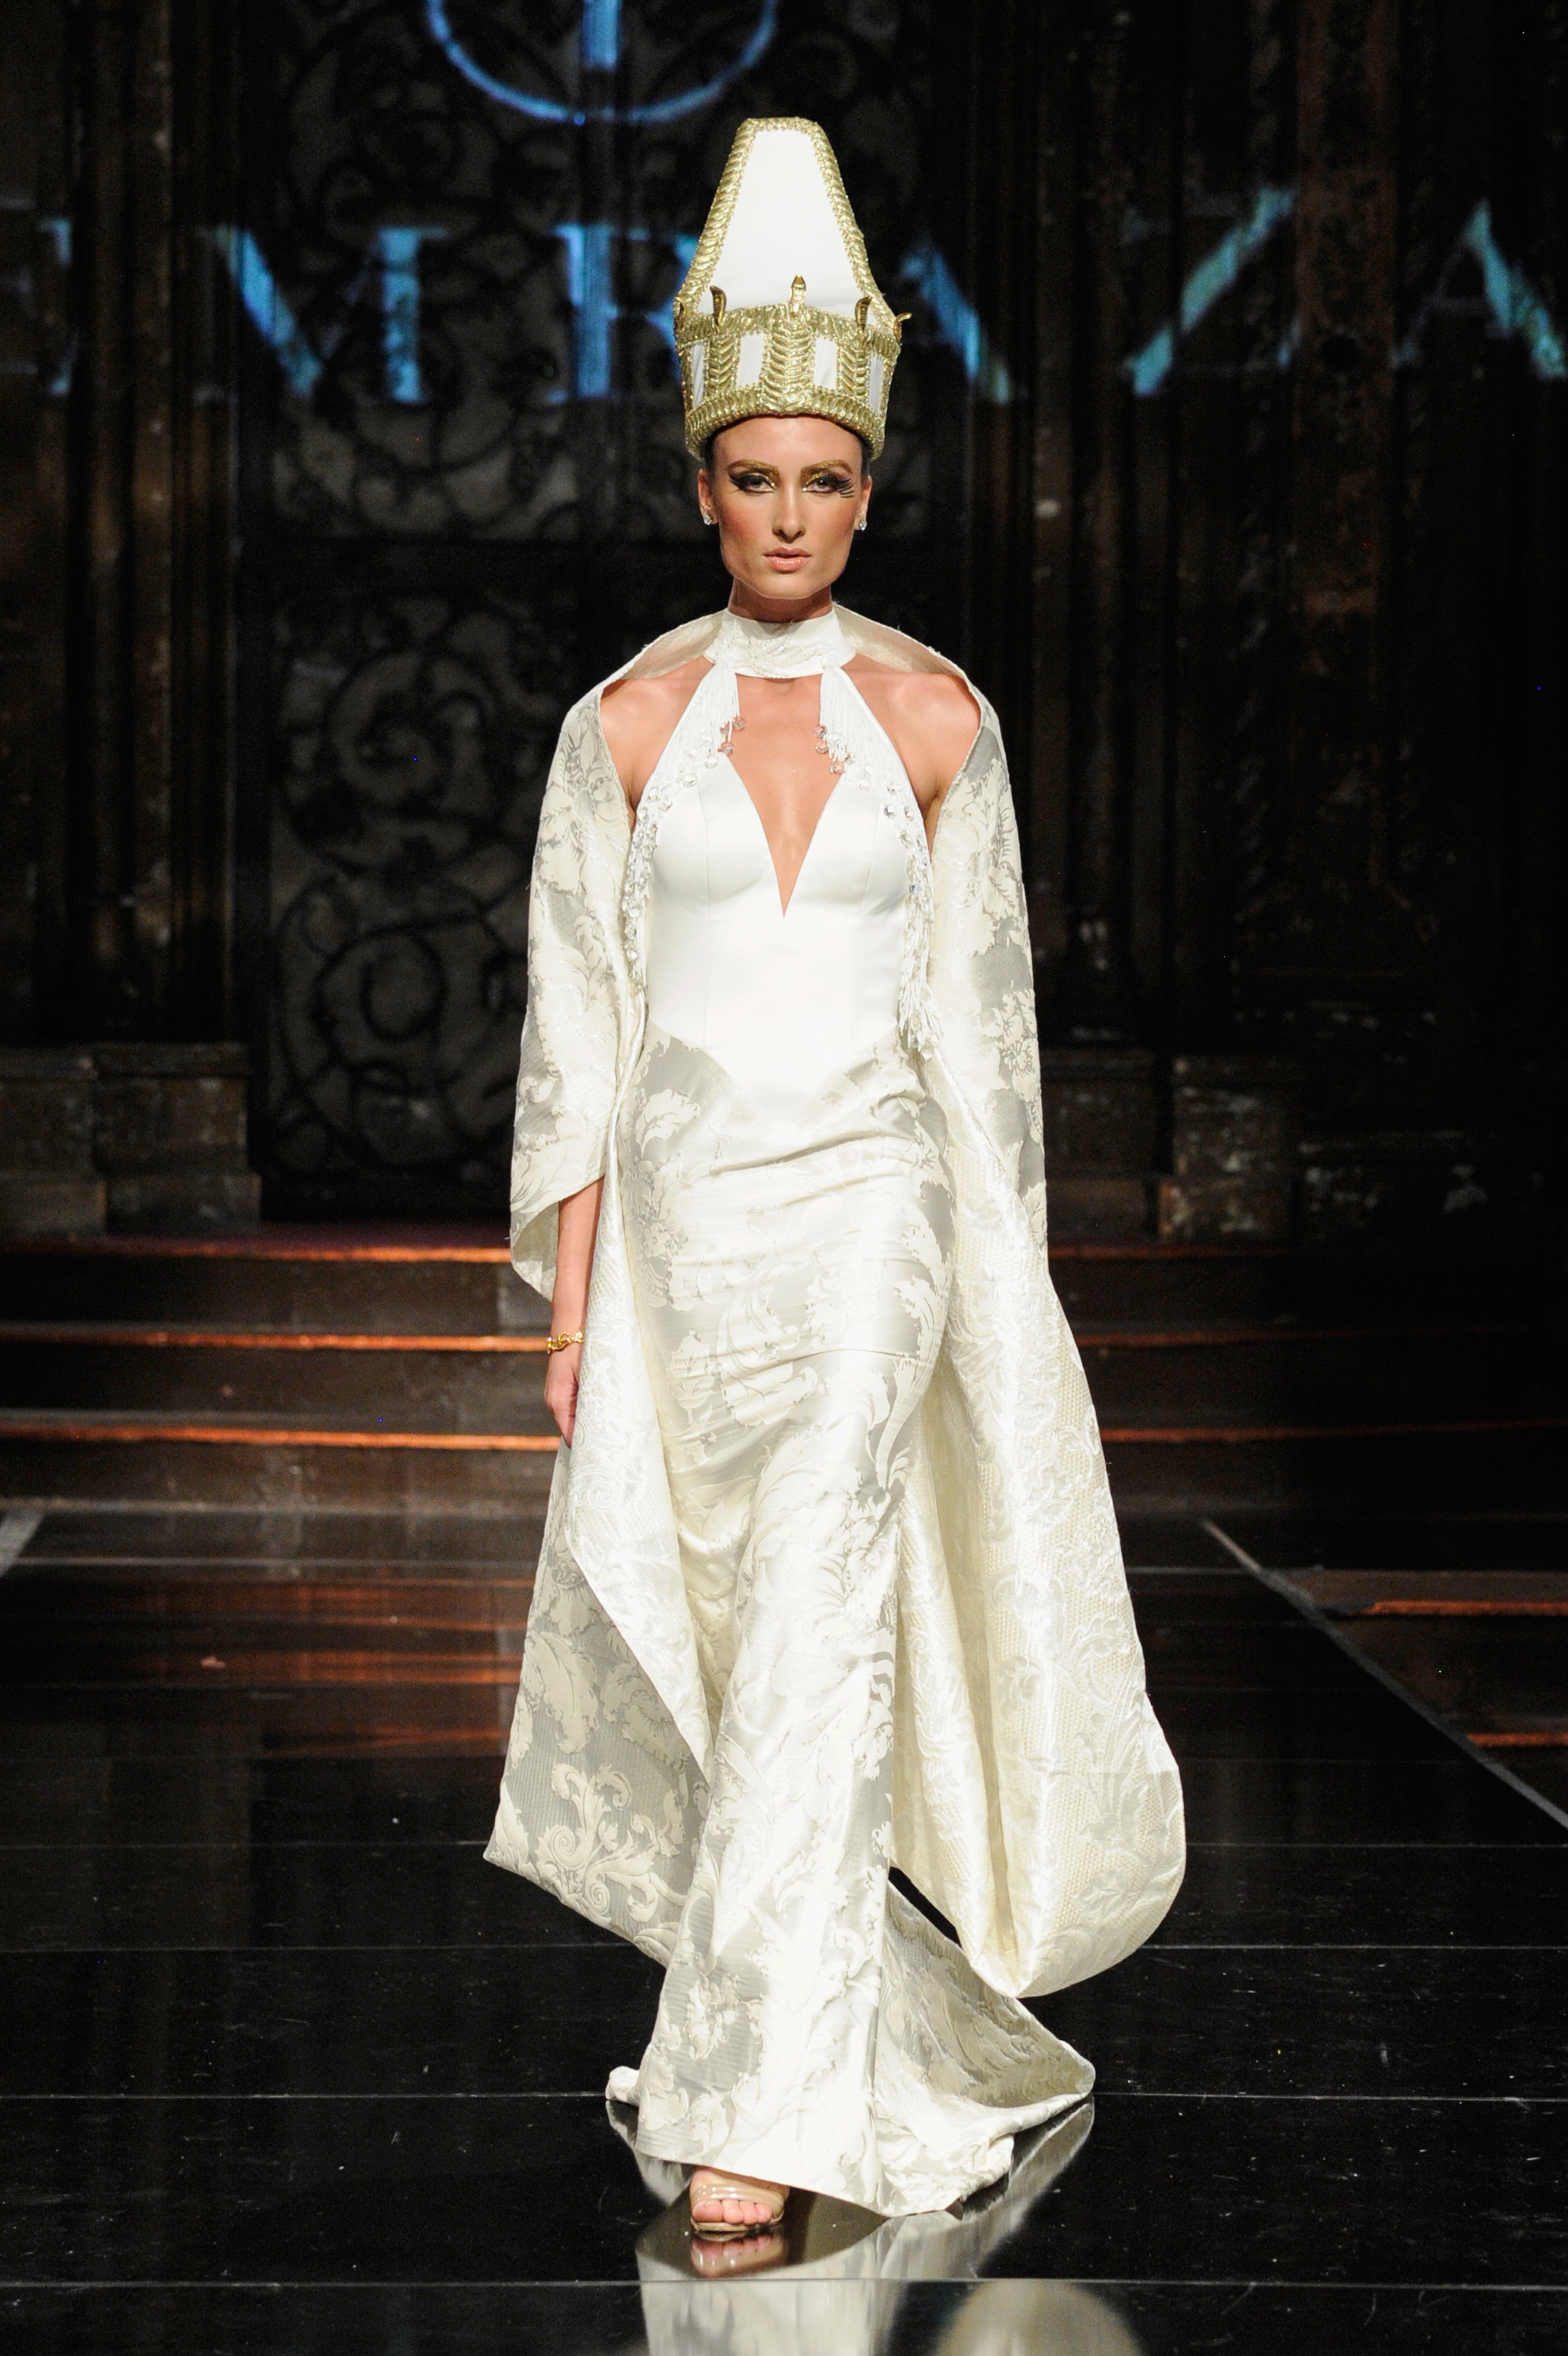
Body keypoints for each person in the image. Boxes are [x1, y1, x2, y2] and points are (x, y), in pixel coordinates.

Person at [486, 115, 1184, 2244]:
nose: (788, 512)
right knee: (731, 1658)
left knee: (812, 1626)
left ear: (868, 489)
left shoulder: (941, 724)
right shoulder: (619, 729)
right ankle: (829, 2037)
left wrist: (1003, 1303)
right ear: (701, 487)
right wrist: (574, 1317)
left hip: (877, 1229)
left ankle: (758, 2119)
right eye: (752, 475)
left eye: (822, 478)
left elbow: (985, 1050)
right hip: (686, 1245)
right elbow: (580, 1041)